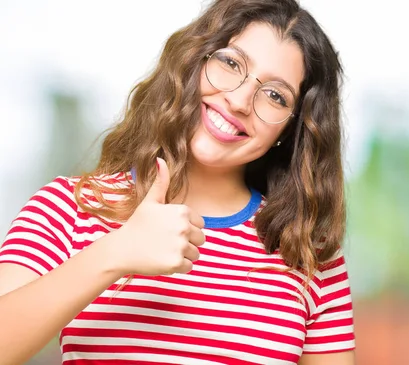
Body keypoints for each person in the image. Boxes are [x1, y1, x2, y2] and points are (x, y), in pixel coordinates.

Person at [0, 0, 355, 364]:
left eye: (276, 96)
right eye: (231, 63)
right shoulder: (70, 206)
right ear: (194, 61)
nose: (239, 101)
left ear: (290, 129)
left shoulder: (310, 255)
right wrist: (115, 253)